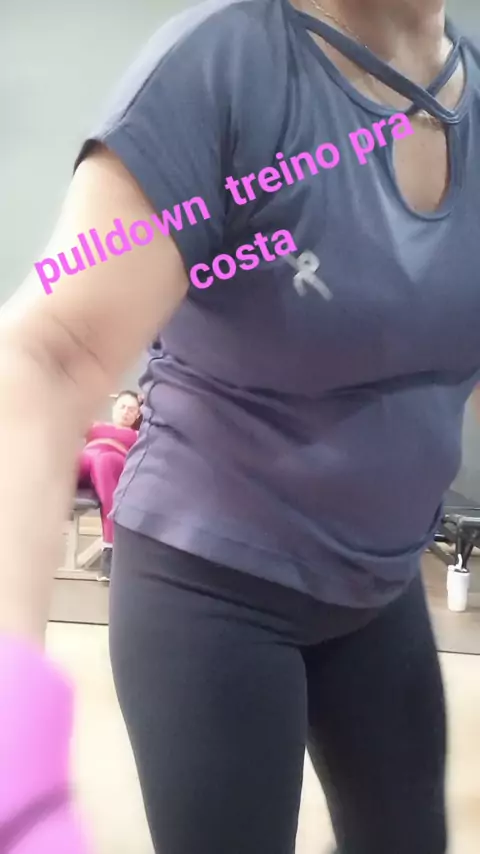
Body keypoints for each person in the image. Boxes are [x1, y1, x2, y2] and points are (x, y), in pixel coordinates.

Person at [0, 0, 479, 852]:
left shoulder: (468, 91)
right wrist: (13, 740)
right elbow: (48, 357)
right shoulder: (223, 73)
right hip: (212, 589)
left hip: (380, 584)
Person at [78, 390, 140, 581]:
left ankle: (110, 553)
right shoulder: (95, 426)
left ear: (138, 414)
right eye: (122, 407)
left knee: (104, 460)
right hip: (87, 458)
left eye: (132, 409)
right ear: (114, 408)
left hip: (112, 462)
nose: (126, 412)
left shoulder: (139, 435)